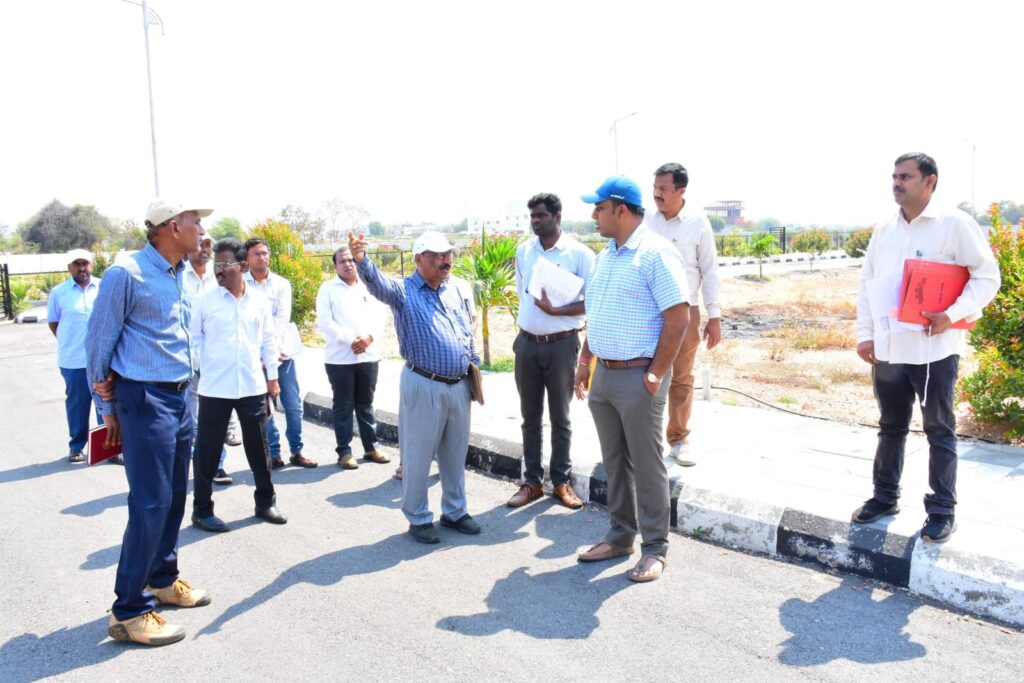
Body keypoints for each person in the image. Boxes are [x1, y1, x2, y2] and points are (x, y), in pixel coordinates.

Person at [852, 153, 1000, 543]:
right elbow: (867, 284)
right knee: (890, 427)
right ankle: (884, 497)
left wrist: (952, 314)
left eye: (906, 176)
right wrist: (864, 334)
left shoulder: (954, 224)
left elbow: (987, 277)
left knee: (938, 429)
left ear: (930, 181)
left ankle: (942, 511)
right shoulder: (885, 230)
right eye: (894, 176)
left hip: (934, 350)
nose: (897, 183)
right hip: (889, 347)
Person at [86, 199, 213, 646]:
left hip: (179, 396)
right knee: (150, 502)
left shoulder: (180, 274)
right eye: (196, 223)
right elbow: (98, 343)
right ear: (172, 227)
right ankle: (128, 610)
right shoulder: (126, 273)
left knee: (175, 494)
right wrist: (106, 408)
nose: (202, 231)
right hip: (143, 399)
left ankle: (162, 579)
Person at [572, 176, 690, 583]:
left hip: (640, 376)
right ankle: (620, 536)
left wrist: (655, 374)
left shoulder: (655, 253)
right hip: (604, 375)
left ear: (621, 210)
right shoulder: (606, 255)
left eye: (599, 208)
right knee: (615, 462)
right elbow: (598, 312)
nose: (594, 215)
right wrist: (585, 359)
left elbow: (679, 317)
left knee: (647, 463)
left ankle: (655, 548)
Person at [349, 229, 480, 545]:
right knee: (418, 455)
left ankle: (455, 510)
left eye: (448, 254)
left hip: (459, 385)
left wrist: (472, 365)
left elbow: (464, 330)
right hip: (424, 384)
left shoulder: (452, 289)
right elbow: (377, 283)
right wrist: (361, 259)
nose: (446, 260)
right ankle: (418, 516)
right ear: (419, 259)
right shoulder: (403, 291)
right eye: (438, 256)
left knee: (454, 454)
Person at [190, 237, 287, 532]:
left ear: (243, 266)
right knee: (207, 451)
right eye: (216, 263)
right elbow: (194, 341)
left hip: (251, 386)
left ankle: (265, 502)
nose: (218, 269)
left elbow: (268, 341)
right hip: (214, 389)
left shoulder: (259, 302)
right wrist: (205, 369)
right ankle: (202, 510)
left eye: (225, 264)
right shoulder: (205, 300)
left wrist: (272, 379)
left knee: (259, 449)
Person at [507, 193, 594, 510]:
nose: (535, 221)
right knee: (530, 417)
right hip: (527, 344)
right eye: (532, 216)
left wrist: (557, 312)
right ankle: (531, 482)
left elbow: (593, 301)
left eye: (541, 215)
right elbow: (524, 295)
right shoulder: (524, 251)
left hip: (561, 345)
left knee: (561, 417)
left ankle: (560, 482)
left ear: (557, 217)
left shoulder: (580, 254)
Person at [647, 163, 721, 467]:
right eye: (655, 188)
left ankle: (678, 439)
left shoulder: (698, 223)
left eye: (664, 189)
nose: (657, 194)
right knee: (644, 374)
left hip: (684, 311)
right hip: (647, 310)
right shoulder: (645, 221)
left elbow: (710, 270)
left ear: (681, 191)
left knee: (681, 377)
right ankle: (644, 441)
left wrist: (714, 316)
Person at [244, 237, 316, 469]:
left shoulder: (281, 284)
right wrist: (261, 354)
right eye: (256, 254)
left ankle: (297, 450)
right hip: (255, 359)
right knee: (265, 408)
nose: (261, 257)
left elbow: (281, 319)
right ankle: (273, 453)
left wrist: (272, 352)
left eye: (264, 253)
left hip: (282, 355)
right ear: (247, 258)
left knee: (293, 405)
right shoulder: (241, 284)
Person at [315, 245, 390, 469]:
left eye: (351, 260)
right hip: (340, 359)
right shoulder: (328, 289)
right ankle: (344, 452)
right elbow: (325, 321)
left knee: (366, 404)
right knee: (343, 405)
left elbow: (381, 315)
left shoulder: (369, 286)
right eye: (342, 261)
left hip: (369, 355)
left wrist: (369, 338)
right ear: (335, 266)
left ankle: (371, 447)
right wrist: (351, 340)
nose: (348, 264)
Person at [183, 235, 234, 486]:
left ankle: (217, 465)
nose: (205, 250)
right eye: (200, 244)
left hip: (216, 360)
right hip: (187, 359)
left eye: (208, 246)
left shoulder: (220, 278)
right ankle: (199, 465)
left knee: (215, 418)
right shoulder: (179, 278)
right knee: (194, 419)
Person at [47, 249, 102, 463]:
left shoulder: (104, 287)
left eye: (85, 264)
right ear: (69, 268)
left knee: (106, 405)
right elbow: (54, 323)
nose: (82, 268)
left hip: (102, 360)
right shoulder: (58, 293)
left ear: (91, 265)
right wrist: (70, 341)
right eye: (77, 264)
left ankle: (109, 448)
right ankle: (77, 446)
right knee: (78, 405)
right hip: (74, 360)